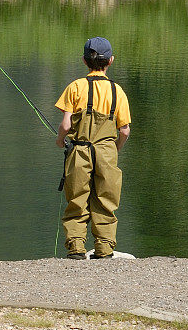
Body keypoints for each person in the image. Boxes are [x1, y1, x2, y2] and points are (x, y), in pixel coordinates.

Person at [55, 37, 131, 259]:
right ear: (111, 61)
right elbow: (125, 131)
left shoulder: (75, 87)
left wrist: (61, 140)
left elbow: (66, 125)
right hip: (107, 151)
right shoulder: (118, 91)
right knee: (106, 200)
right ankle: (104, 249)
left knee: (77, 199)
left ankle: (76, 248)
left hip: (79, 150)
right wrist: (115, 148)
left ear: (84, 61)